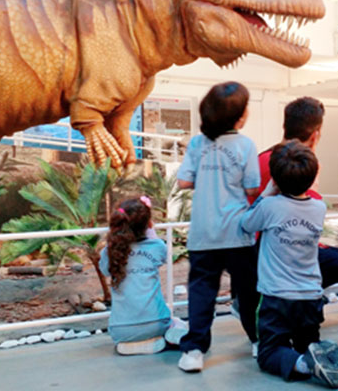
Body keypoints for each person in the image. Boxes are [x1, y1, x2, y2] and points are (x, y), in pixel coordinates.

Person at [241, 141, 338, 388]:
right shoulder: (318, 208)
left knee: (268, 353)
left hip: (277, 297)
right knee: (307, 344)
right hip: (310, 297)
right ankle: (320, 354)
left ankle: (306, 364)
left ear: (275, 179)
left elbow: (247, 224)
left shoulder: (270, 206)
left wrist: (266, 193)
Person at [175, 81, 261, 373]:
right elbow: (252, 188)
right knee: (249, 292)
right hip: (237, 233)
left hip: (204, 234)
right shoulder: (246, 145)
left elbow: (183, 182)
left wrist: (208, 179)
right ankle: (258, 340)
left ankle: (194, 351)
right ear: (239, 116)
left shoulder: (197, 144)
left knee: (202, 292)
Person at [252, 96, 338, 290]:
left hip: (258, 251)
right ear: (315, 135)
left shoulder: (261, 160)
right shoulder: (302, 165)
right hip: (284, 254)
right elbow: (308, 215)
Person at [99, 196, 186, 355]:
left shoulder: (110, 252)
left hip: (120, 330)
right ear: (148, 224)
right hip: (157, 324)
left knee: (126, 334)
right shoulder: (157, 246)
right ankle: (164, 339)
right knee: (178, 323)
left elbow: (104, 270)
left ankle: (129, 345)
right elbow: (162, 257)